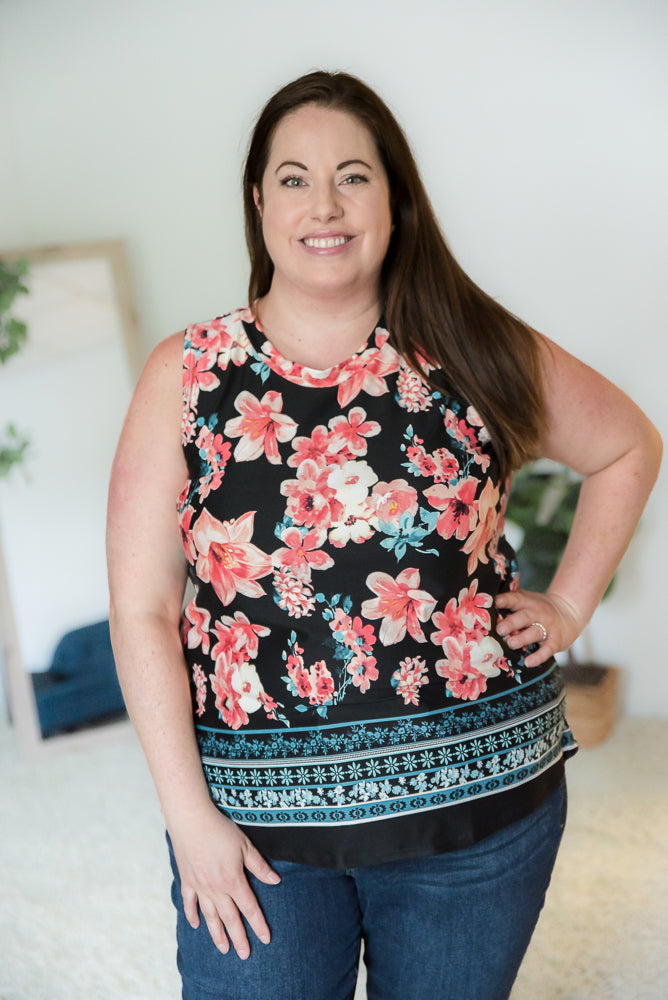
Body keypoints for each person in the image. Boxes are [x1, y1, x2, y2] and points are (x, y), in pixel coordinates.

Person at [106, 70, 662, 1000]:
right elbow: (141, 608)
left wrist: (568, 603)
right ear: (258, 201)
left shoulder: (473, 345)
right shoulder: (189, 374)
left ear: (395, 199)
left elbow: (626, 447)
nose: (324, 203)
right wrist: (188, 820)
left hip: (479, 815)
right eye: (293, 177)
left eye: (353, 175)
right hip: (257, 833)